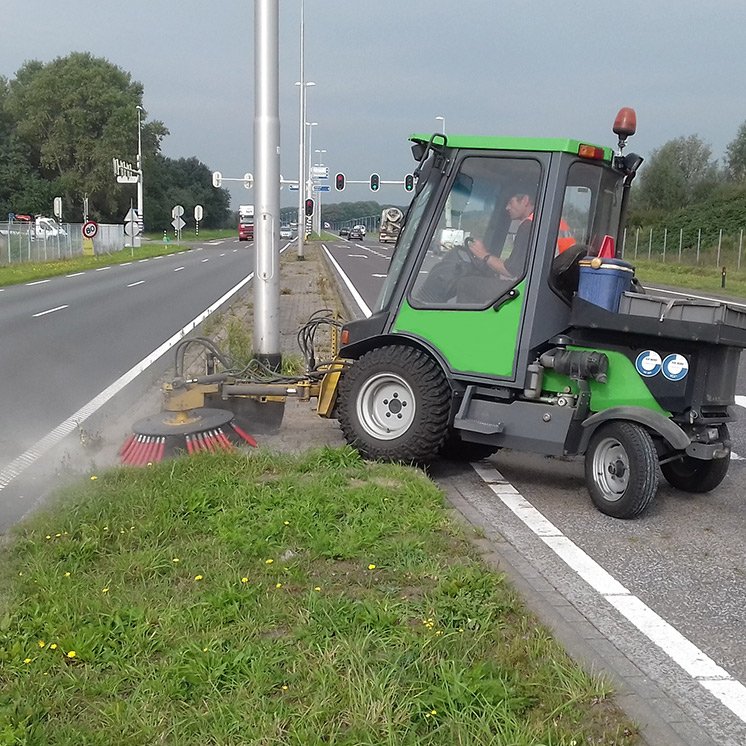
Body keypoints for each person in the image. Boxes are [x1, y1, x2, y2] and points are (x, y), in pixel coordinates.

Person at [465, 192, 535, 280]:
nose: (507, 207)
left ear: (525, 200)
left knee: (465, 283)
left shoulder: (529, 227)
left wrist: (482, 254)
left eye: (510, 202)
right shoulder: (539, 224)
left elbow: (511, 270)